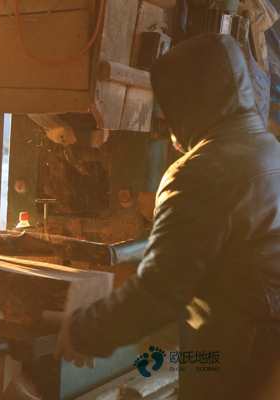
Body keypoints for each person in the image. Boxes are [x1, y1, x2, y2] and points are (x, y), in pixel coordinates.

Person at [57, 34, 280, 399]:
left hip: (238, 363)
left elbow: (160, 292)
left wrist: (83, 332)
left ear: (188, 104)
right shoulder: (269, 149)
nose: (166, 123)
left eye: (169, 108)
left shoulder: (201, 172)